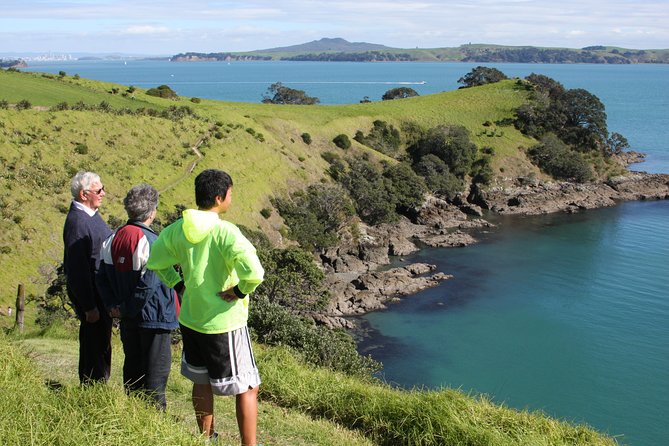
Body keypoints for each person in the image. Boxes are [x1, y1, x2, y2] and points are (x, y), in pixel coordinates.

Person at [147, 169, 264, 445]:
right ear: (219, 197)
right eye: (231, 194)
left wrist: (177, 285)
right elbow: (255, 273)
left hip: (191, 318)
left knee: (201, 381)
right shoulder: (225, 231)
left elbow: (156, 261)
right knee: (248, 386)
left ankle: (206, 437)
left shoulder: (177, 229)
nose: (231, 199)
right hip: (224, 322)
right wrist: (238, 291)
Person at [96, 184, 181, 410]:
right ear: (152, 212)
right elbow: (150, 284)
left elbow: (101, 276)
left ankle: (132, 415)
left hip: (128, 316)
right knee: (156, 373)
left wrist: (114, 306)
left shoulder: (112, 239)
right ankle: (155, 421)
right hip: (154, 316)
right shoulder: (153, 243)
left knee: (132, 366)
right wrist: (128, 308)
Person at [63, 171, 113, 384]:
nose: (103, 193)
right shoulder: (78, 223)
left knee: (100, 344)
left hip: (101, 294)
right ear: (84, 194)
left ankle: (96, 388)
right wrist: (89, 306)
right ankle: (92, 393)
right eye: (98, 190)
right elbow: (77, 270)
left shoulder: (90, 215)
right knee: (94, 346)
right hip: (93, 297)